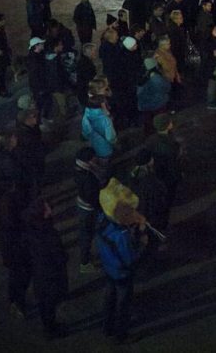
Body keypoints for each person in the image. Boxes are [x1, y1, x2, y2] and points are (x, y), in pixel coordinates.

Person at [97, 190, 148, 343]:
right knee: (123, 304)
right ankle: (121, 335)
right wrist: (142, 242)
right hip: (121, 273)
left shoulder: (102, 218)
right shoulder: (122, 236)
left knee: (109, 295)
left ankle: (107, 327)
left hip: (108, 267)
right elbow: (130, 259)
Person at [23, 197, 68, 339]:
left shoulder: (31, 228)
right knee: (50, 303)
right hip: (51, 274)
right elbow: (59, 256)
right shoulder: (49, 234)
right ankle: (50, 330)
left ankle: (48, 326)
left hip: (39, 273)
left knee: (44, 303)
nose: (50, 209)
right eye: (46, 208)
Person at [0, 182, 32, 320]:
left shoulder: (4, 206)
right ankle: (17, 304)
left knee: (15, 277)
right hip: (17, 251)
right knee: (20, 278)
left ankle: (13, 301)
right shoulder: (11, 213)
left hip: (12, 251)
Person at [128, 149, 170, 250]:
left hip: (141, 211)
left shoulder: (133, 175)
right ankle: (157, 246)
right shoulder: (150, 182)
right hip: (152, 213)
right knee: (155, 230)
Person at [75, 147, 107, 274]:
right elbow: (91, 197)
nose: (96, 159)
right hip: (88, 210)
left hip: (83, 205)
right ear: (89, 160)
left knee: (86, 234)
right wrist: (101, 206)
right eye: (94, 157)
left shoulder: (79, 169)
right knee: (87, 235)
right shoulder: (87, 177)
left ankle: (86, 259)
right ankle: (85, 263)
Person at [145, 113, 182, 207]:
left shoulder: (150, 139)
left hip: (157, 169)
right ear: (167, 125)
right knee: (171, 187)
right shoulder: (171, 143)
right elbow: (176, 156)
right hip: (171, 171)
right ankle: (170, 202)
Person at [82, 80, 117, 168]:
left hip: (94, 143)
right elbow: (110, 137)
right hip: (105, 148)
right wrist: (114, 141)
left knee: (99, 160)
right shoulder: (106, 119)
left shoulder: (87, 112)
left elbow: (85, 130)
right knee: (105, 163)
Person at [137, 57, 171, 135]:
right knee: (160, 124)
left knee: (148, 126)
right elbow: (167, 88)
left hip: (145, 107)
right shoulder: (156, 78)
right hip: (158, 106)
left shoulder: (142, 78)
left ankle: (150, 139)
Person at [16, 108, 45, 193]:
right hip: (33, 162)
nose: (36, 118)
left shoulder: (33, 128)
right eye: (33, 116)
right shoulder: (24, 134)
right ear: (26, 120)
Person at [27, 37, 49, 119]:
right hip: (39, 87)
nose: (43, 45)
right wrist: (39, 89)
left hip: (41, 85)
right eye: (41, 44)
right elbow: (34, 76)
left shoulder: (37, 55)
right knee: (41, 104)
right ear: (36, 46)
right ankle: (40, 120)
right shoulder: (34, 60)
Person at [76, 43, 97, 109]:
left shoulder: (84, 61)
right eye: (94, 51)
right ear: (89, 52)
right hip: (85, 92)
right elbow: (88, 79)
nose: (95, 53)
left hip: (84, 92)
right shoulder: (86, 64)